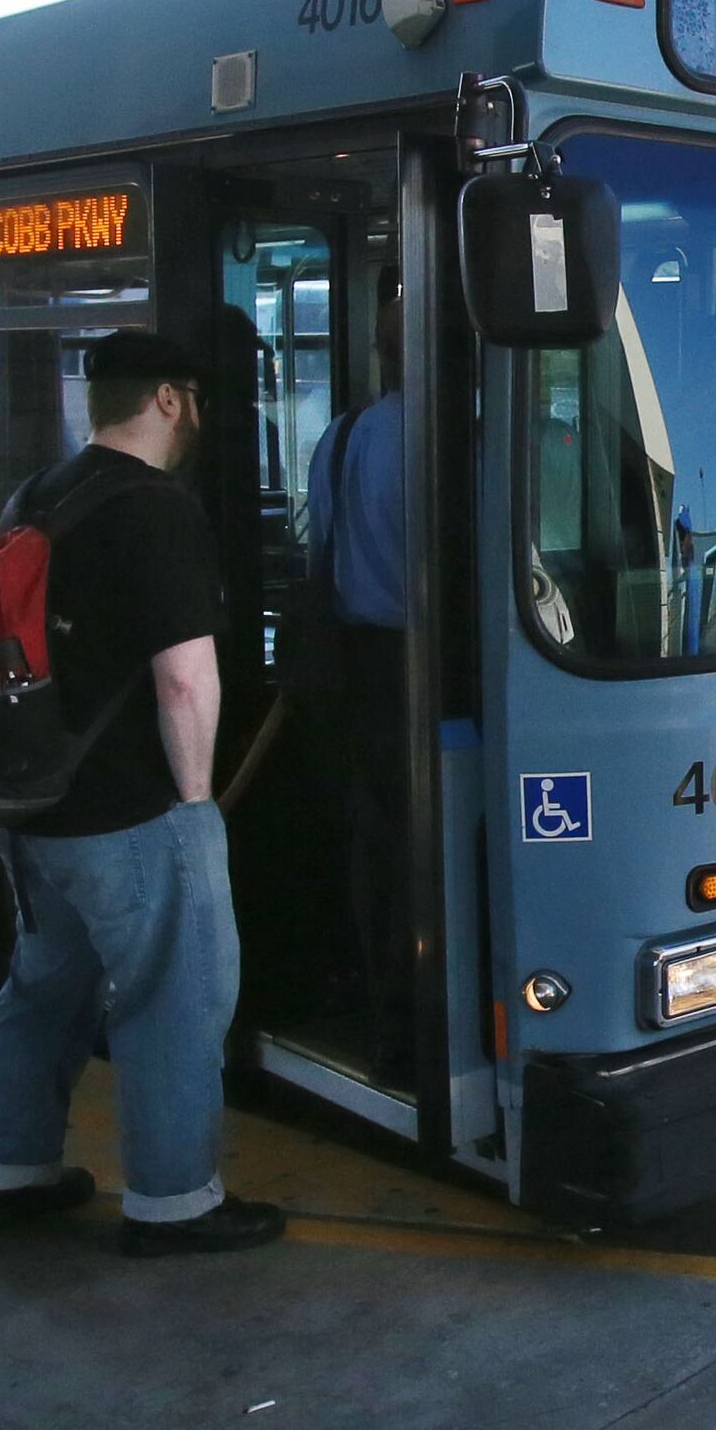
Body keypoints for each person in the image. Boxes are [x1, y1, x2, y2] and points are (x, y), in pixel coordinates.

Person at [0, 327, 285, 1256]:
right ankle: (176, 1202)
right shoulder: (158, 508)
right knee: (176, 999)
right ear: (171, 400)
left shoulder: (41, 494)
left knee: (44, 984)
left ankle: (0, 1171)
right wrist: (193, 807)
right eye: (198, 402)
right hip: (131, 813)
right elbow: (186, 680)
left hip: (36, 807)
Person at [302, 285, 416, 1082]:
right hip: (438, 671)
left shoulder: (338, 440)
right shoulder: (465, 437)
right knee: (433, 853)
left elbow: (317, 558)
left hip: (361, 670)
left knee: (377, 850)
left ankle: (388, 1017)